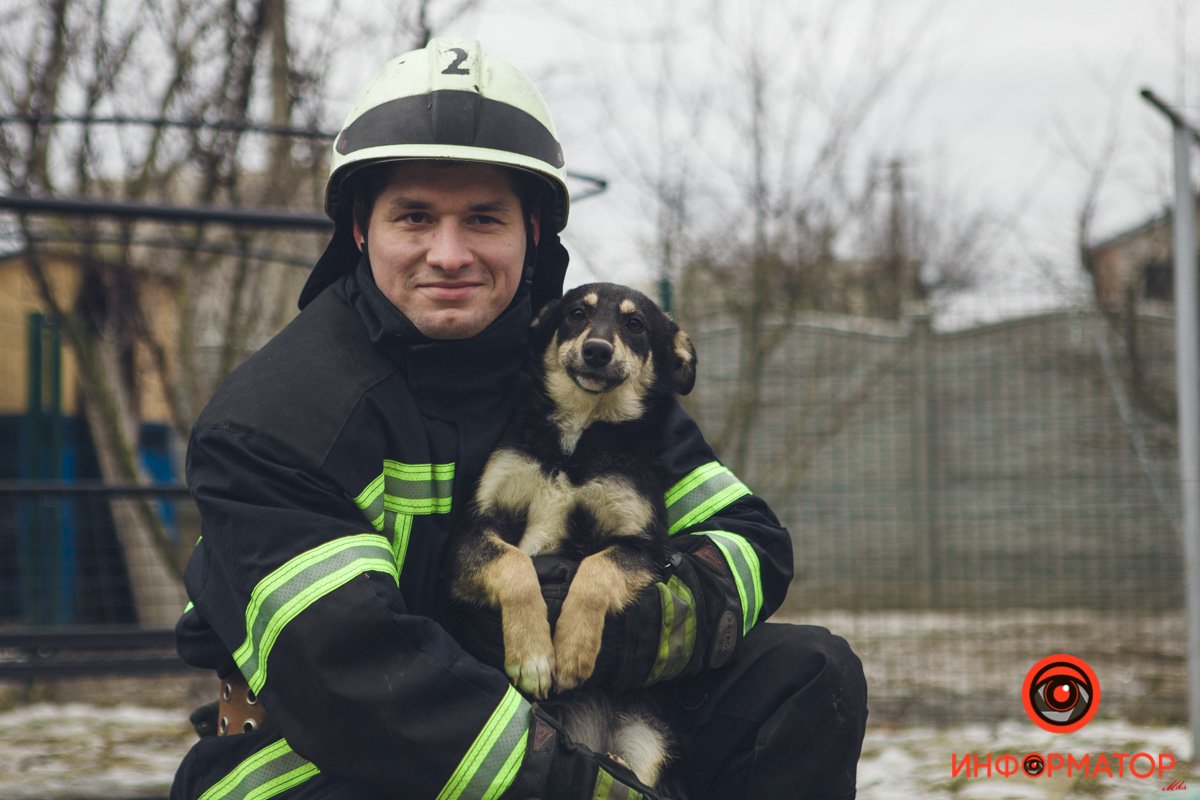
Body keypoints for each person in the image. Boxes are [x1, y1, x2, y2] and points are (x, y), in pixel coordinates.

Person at [170, 37, 867, 800]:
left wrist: (616, 626)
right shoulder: (274, 419)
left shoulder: (579, 374)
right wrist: (587, 786)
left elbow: (751, 548)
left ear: (533, 232)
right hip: (325, 760)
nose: (448, 252)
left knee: (807, 676)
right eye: (413, 217)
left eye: (482, 219)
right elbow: (357, 683)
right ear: (361, 230)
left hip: (578, 713)